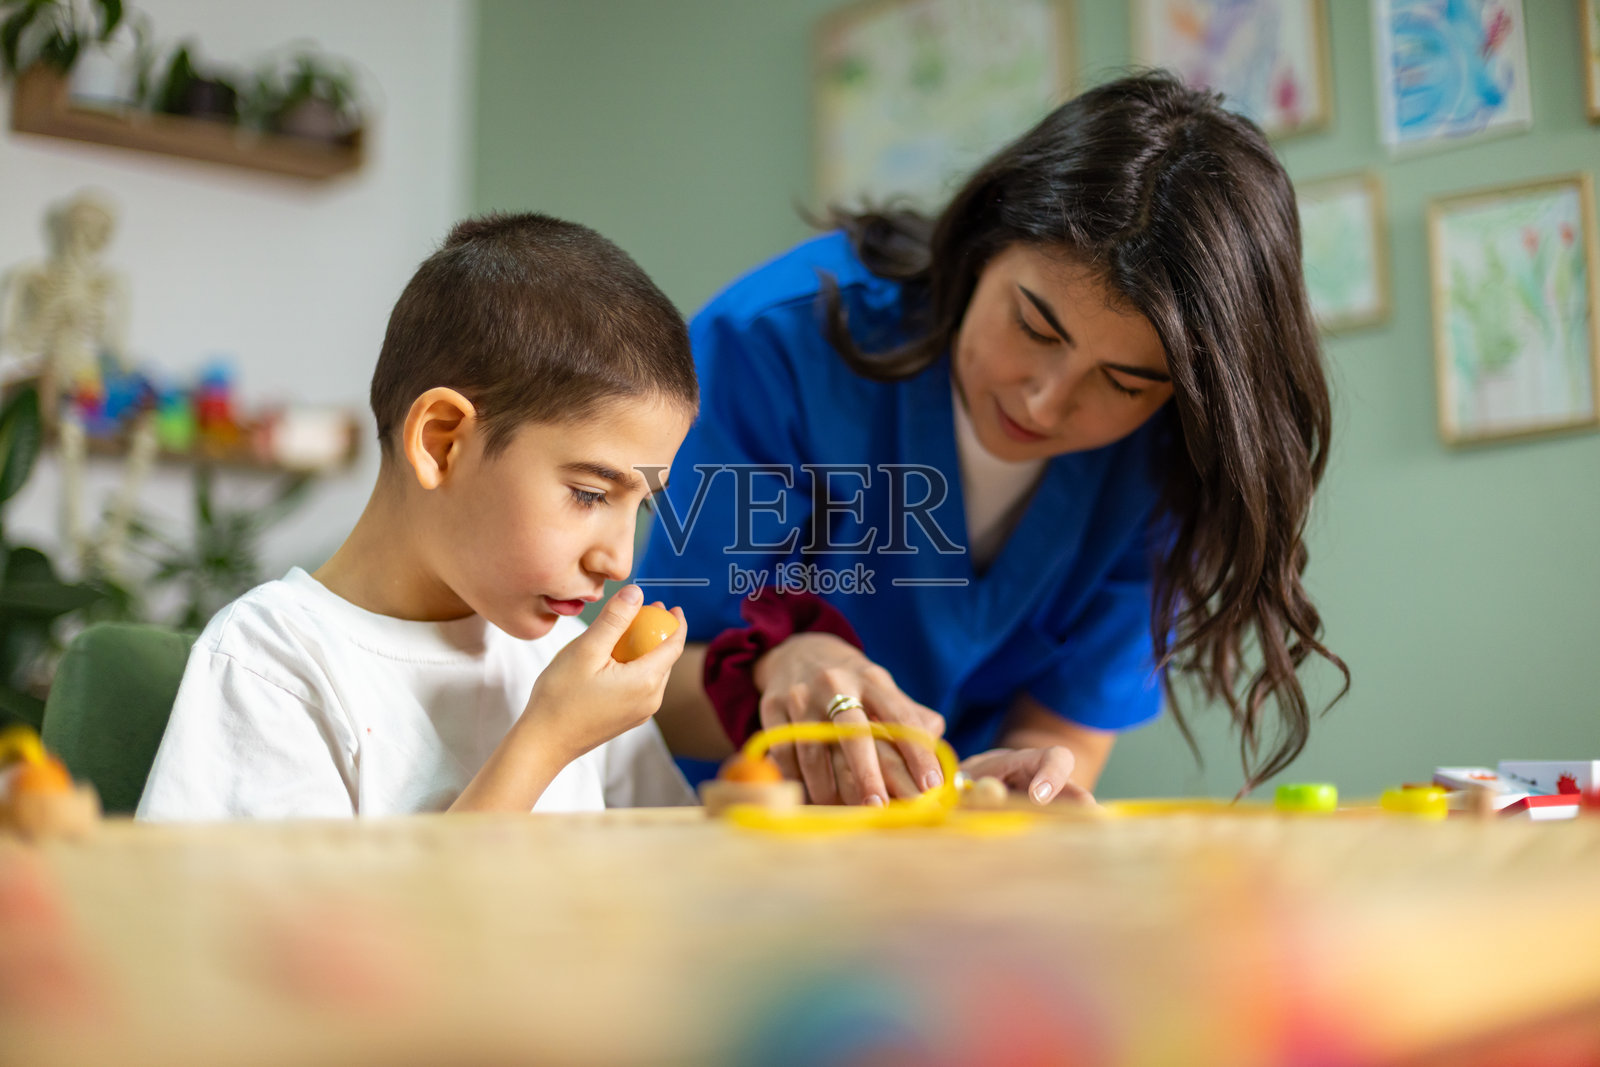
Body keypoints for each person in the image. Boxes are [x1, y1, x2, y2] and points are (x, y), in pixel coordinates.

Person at [639, 72, 1346, 807]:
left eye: (1124, 382)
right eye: (1035, 327)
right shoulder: (773, 348)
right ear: (984, 245)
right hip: (724, 835)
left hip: (948, 860)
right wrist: (774, 667)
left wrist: (1006, 792)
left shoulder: (1169, 464)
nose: (1044, 401)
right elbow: (646, 689)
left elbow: (1057, 745)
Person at [138, 213, 699, 820]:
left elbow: (673, 880)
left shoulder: (572, 668)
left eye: (639, 505)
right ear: (441, 443)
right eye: (589, 495)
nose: (617, 559)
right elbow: (339, 920)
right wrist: (547, 741)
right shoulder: (276, 667)